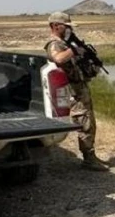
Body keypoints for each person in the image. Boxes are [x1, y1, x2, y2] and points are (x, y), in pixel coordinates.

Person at [45, 11, 109, 171]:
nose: (68, 29)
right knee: (84, 122)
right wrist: (74, 49)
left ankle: (90, 156)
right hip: (72, 90)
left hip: (79, 87)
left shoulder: (64, 43)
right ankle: (89, 159)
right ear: (55, 26)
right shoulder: (54, 43)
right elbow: (58, 59)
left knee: (88, 121)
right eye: (65, 26)